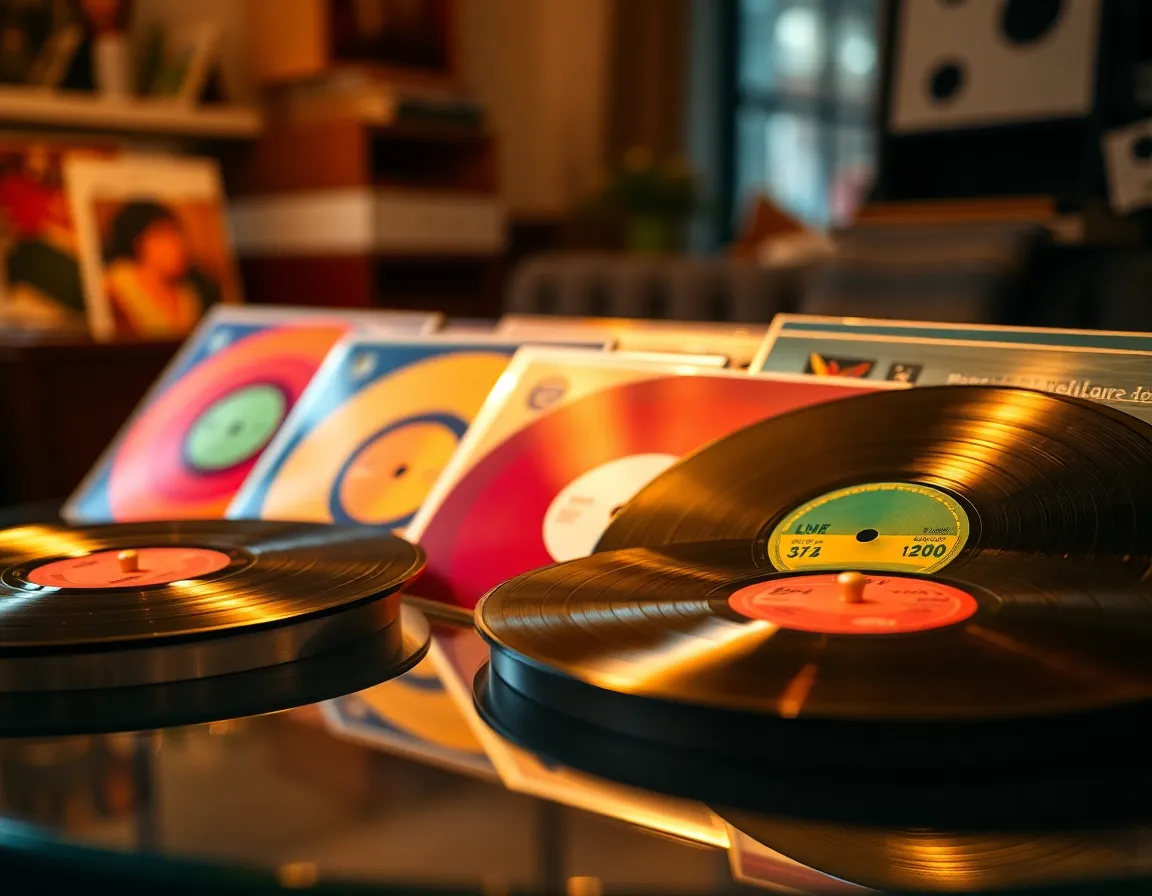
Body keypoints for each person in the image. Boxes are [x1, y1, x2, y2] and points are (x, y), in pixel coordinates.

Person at [102, 200, 219, 337]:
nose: (178, 245)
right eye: (163, 236)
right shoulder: (117, 282)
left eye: (177, 234)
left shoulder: (188, 296)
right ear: (138, 242)